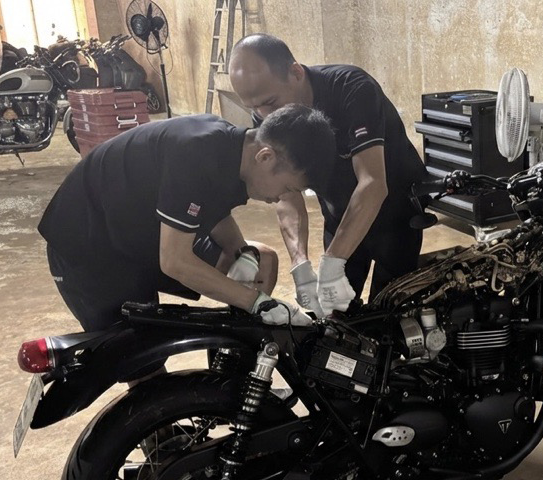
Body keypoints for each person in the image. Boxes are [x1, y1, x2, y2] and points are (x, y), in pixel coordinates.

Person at [38, 104, 336, 340]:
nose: (282, 197)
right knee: (141, 358)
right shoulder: (196, 153)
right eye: (288, 188)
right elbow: (175, 262)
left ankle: (239, 372)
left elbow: (211, 208)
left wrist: (242, 252)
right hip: (91, 245)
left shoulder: (236, 152)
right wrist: (257, 303)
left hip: (145, 231)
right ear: (266, 157)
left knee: (263, 261)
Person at [228, 33, 428, 317]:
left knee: (389, 314)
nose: (264, 114)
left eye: (270, 102)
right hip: (339, 214)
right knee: (334, 317)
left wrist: (333, 262)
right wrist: (300, 264)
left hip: (395, 213)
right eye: (255, 108)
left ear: (296, 73)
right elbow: (285, 191)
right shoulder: (268, 117)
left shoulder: (352, 88)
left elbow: (373, 184)